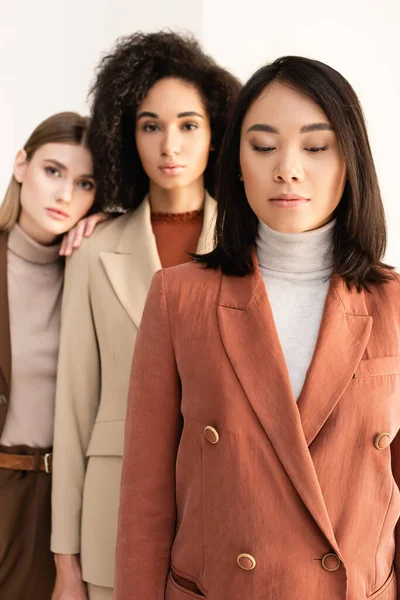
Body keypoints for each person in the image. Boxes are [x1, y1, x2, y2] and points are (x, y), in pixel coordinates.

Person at [114, 55, 400, 599]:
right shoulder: (179, 296)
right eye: (264, 146)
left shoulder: (395, 303)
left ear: (351, 161)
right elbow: (144, 503)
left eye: (316, 147)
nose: (287, 168)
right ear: (238, 162)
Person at [50, 31, 241, 600]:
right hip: (114, 518)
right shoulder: (92, 252)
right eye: (150, 125)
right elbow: (73, 410)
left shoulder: (248, 246)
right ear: (126, 135)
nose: (169, 145)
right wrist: (65, 563)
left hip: (224, 511)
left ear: (216, 135)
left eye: (188, 125)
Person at [0, 111, 108, 600]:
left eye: (85, 183)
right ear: (21, 165)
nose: (67, 194)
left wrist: (112, 229)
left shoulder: (92, 269)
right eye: (53, 172)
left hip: (62, 506)